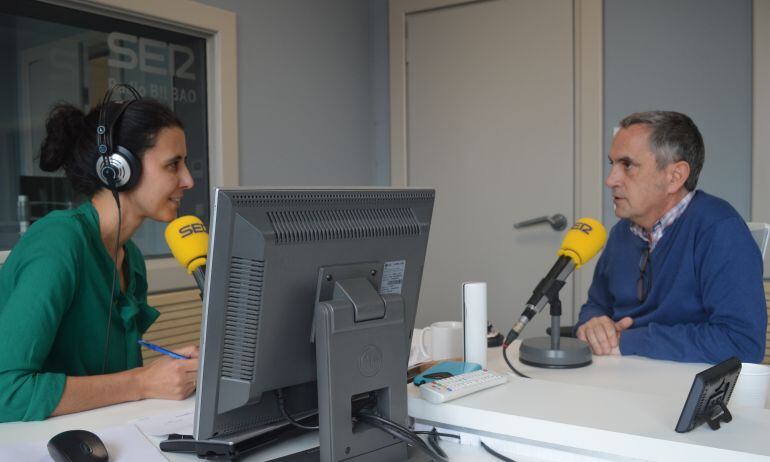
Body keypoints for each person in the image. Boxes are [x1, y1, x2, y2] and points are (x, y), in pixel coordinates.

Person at [0, 86, 198, 422]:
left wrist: (163, 375)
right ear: (119, 168)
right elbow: (6, 392)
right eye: (172, 164)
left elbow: (116, 384)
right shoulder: (58, 242)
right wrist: (142, 382)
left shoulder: (130, 259)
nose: (188, 180)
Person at [575, 111, 767, 363]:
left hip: (681, 391)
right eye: (612, 164)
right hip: (620, 376)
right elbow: (596, 306)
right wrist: (594, 325)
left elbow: (742, 343)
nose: (611, 180)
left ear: (674, 177)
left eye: (627, 165)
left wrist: (629, 340)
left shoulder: (720, 229)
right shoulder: (621, 234)